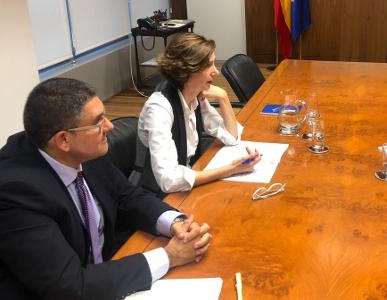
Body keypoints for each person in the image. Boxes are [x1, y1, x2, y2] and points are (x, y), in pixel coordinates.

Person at [0, 78, 212, 299]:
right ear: (64, 140)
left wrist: (174, 223)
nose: (110, 126)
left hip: (108, 269)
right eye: (99, 121)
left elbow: (126, 196)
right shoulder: (15, 192)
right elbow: (69, 286)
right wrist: (169, 257)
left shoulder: (81, 150)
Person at [136, 33, 260, 196]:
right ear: (187, 70)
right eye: (209, 65)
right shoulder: (159, 108)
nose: (216, 72)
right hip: (159, 195)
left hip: (190, 178)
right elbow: (169, 180)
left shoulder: (194, 95)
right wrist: (231, 169)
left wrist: (223, 97)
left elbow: (231, 137)